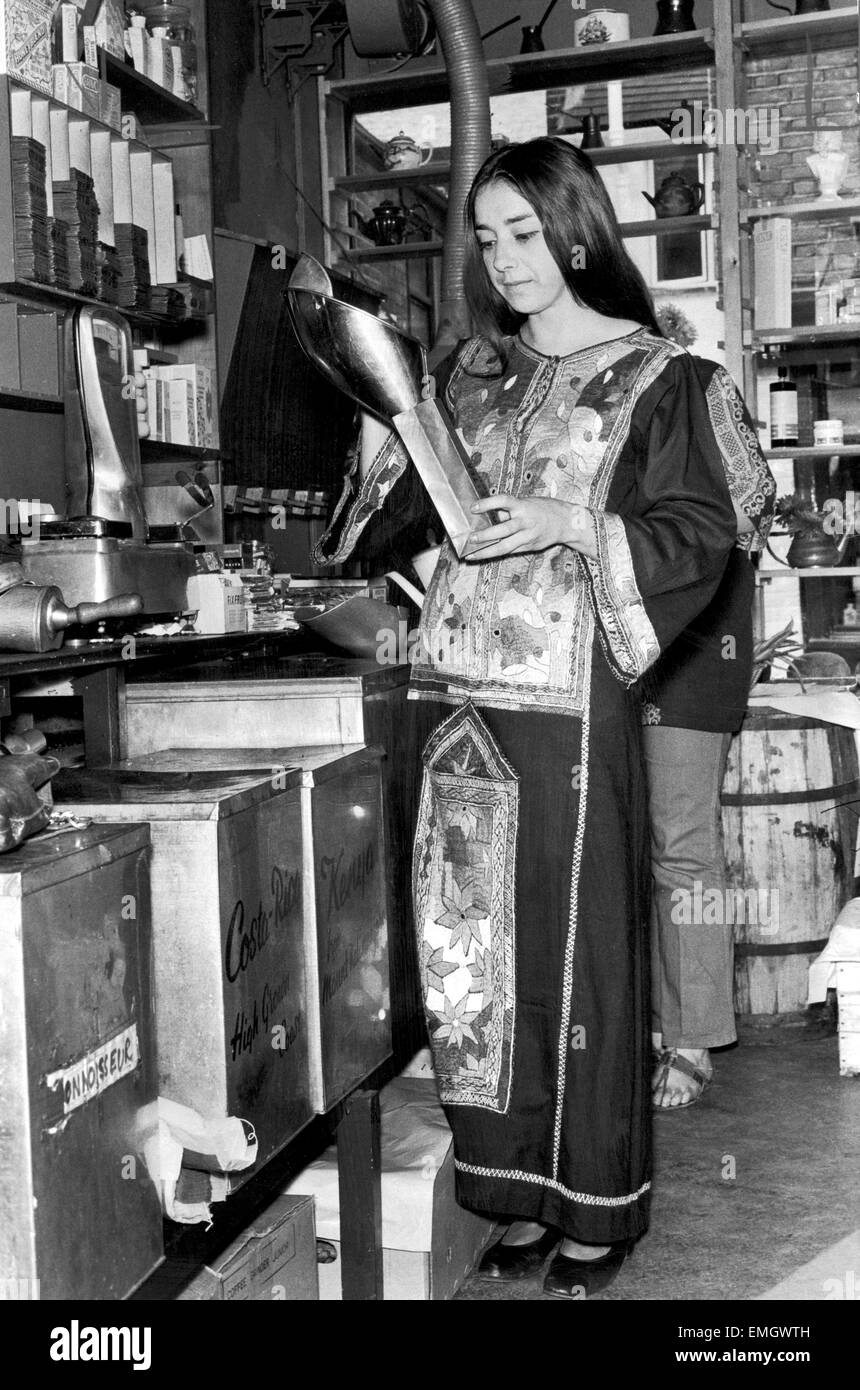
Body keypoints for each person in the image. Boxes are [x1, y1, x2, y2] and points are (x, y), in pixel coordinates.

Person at [314, 136, 745, 1298]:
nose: (506, 258)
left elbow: (706, 534)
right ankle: (508, 1190)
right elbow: (376, 535)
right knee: (468, 964)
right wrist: (375, 440)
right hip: (455, 704)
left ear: (574, 229)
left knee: (578, 962)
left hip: (570, 708)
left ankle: (592, 1205)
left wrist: (568, 519)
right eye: (488, 237)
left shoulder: (662, 380)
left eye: (525, 232)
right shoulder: (462, 377)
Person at [645, 466, 775, 1109]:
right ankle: (638, 1021)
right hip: (600, 645)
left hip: (696, 645)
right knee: (614, 840)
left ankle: (692, 1036)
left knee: (683, 841)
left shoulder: (700, 385)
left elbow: (753, 508)